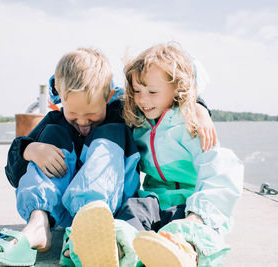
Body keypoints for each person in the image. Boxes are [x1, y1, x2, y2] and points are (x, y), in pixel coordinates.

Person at [0, 46, 216, 267]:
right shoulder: (57, 119)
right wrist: (30, 150)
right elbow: (13, 170)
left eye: (92, 114)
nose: (83, 123)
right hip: (57, 207)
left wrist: (198, 106)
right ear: (61, 98)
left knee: (110, 133)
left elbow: (164, 97)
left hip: (106, 205)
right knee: (51, 135)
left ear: (109, 95)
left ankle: (87, 223)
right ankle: (38, 224)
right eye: (73, 114)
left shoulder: (122, 110)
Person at [68, 43, 244, 267]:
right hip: (153, 199)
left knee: (198, 226)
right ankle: (114, 249)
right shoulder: (137, 121)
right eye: (137, 91)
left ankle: (184, 250)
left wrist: (197, 214)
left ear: (177, 88)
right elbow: (97, 94)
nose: (142, 100)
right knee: (131, 212)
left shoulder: (192, 122)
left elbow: (215, 169)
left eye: (152, 92)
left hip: (191, 202)